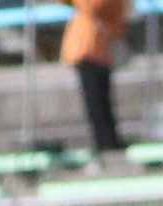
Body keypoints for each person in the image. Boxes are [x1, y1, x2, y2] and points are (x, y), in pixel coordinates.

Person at [63, 0, 130, 159]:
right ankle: (105, 142)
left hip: (95, 49)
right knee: (97, 102)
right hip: (93, 50)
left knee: (98, 102)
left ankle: (107, 143)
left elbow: (94, 5)